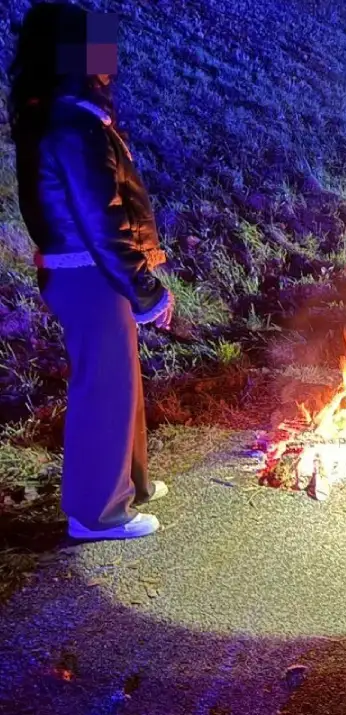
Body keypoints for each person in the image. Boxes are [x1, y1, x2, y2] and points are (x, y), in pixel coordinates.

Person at [9, 3, 174, 540]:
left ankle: (130, 484)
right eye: (101, 49)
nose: (113, 60)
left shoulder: (70, 115)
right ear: (75, 56)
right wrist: (145, 289)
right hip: (88, 272)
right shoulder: (73, 124)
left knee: (118, 380)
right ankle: (96, 512)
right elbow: (103, 223)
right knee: (102, 386)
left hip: (85, 271)